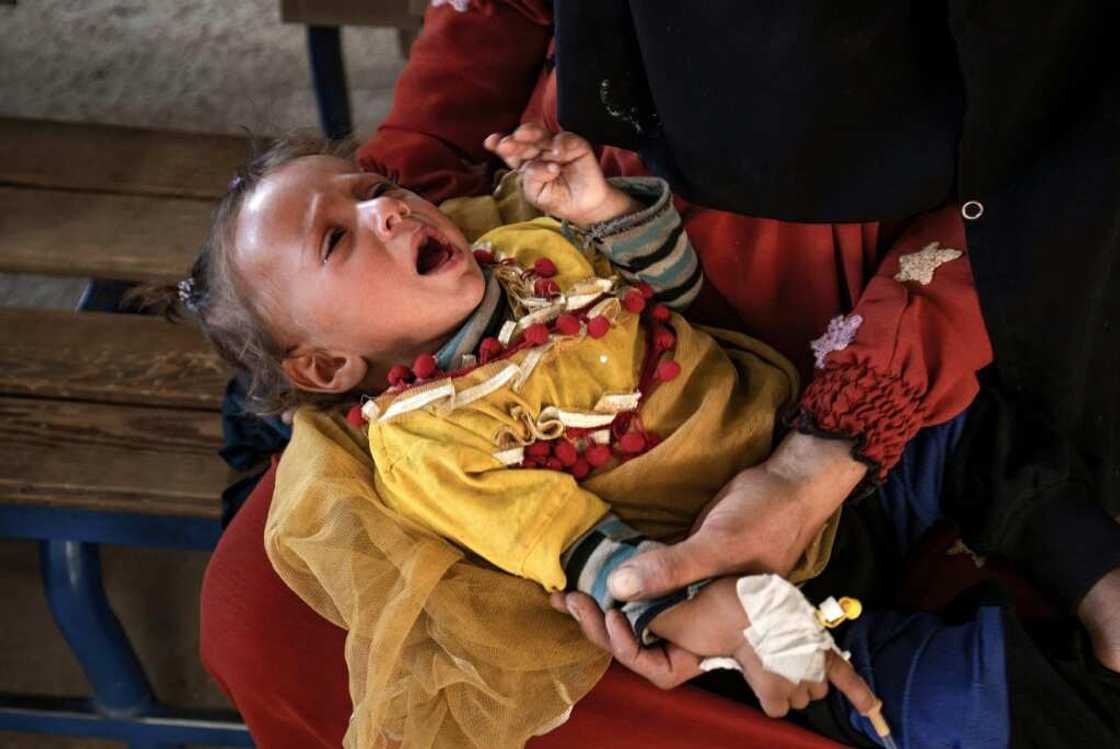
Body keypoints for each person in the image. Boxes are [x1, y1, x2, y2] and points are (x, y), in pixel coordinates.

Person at [199, 2, 1120, 747]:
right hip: (721, 561)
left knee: (973, 442)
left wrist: (601, 211)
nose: (390, 211)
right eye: (341, 232)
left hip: (838, 365)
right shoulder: (428, 433)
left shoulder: (523, 246)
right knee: (896, 690)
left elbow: (674, 294)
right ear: (324, 364)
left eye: (373, 193)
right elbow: (579, 550)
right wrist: (705, 604)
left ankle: (1096, 578)